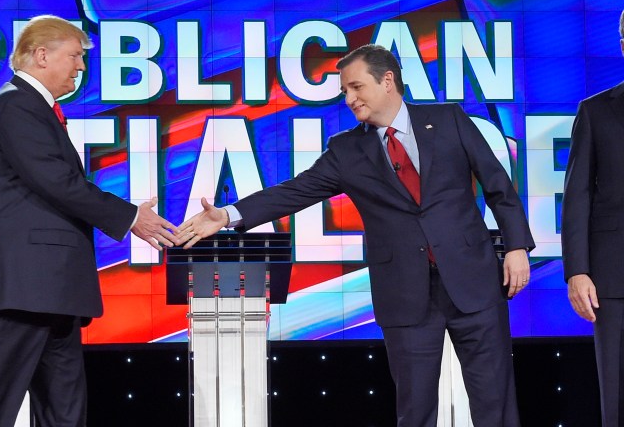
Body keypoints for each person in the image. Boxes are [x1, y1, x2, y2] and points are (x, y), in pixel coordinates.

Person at [179, 44, 534, 426]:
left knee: (495, 403)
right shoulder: (347, 150)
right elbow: (295, 190)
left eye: (356, 87)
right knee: (416, 412)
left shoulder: (448, 120)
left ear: (387, 80)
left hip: (474, 281)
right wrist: (228, 215)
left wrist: (516, 247)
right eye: (345, 91)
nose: (349, 98)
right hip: (405, 294)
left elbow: (499, 186)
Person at [0, 15, 180, 426]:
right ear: (42, 55)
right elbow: (58, 182)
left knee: (64, 409)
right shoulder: (16, 106)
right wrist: (131, 217)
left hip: (51, 288)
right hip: (22, 287)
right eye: (75, 56)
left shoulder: (32, 108)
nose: (81, 67)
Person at [562, 10, 624, 427]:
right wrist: (577, 271)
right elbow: (577, 196)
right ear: (623, 46)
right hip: (614, 276)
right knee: (616, 395)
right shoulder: (596, 111)